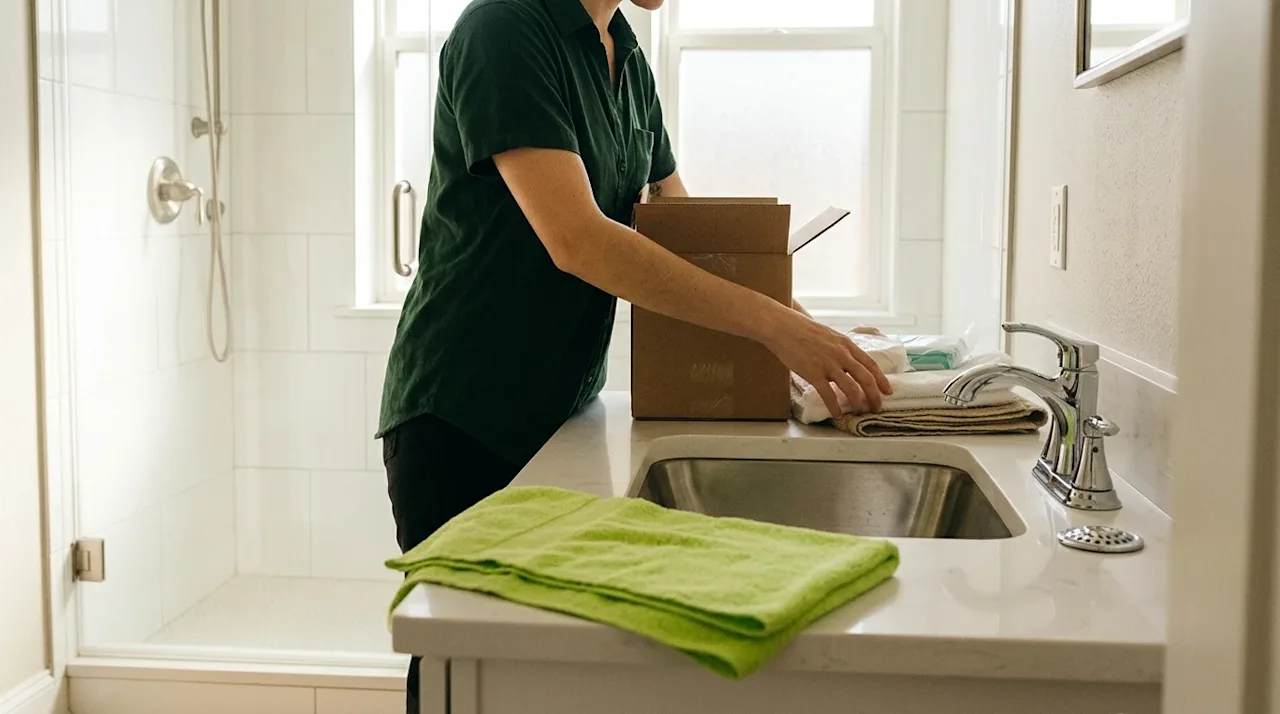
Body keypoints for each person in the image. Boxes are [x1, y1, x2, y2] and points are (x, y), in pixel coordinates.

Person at [377, 0, 892, 709]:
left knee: (540, 677)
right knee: (464, 673)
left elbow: (683, 233)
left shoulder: (625, 53)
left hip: (558, 419)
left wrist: (815, 335)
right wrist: (776, 328)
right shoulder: (503, 28)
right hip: (463, 417)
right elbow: (579, 240)